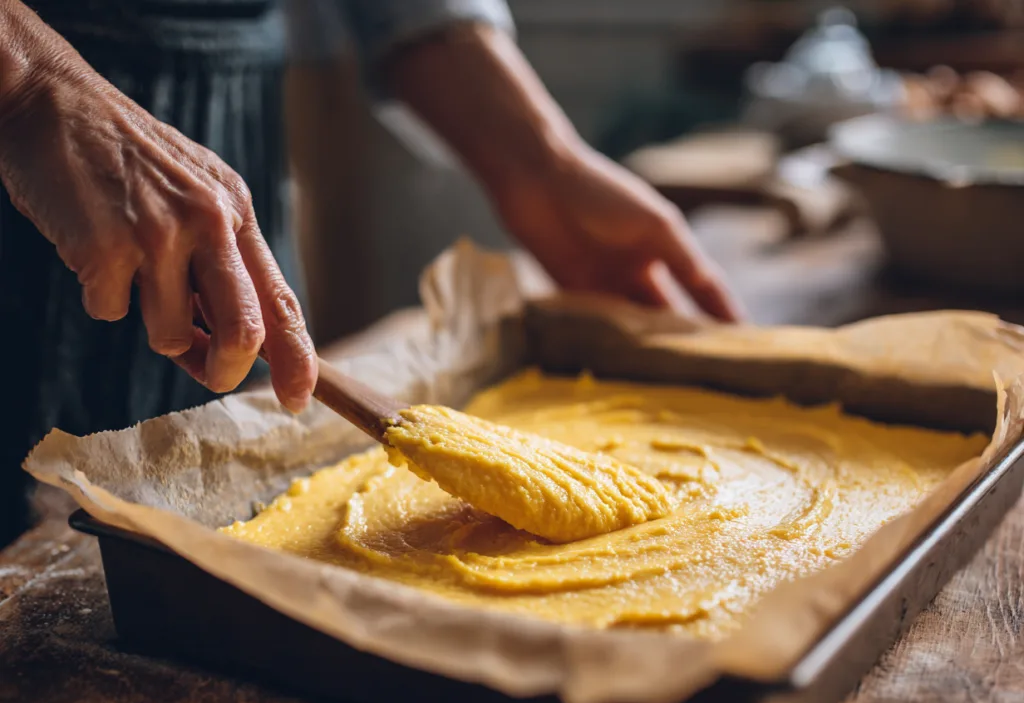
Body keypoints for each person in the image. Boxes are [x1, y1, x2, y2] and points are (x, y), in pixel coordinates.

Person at [0, 0, 743, 544]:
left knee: (235, 379)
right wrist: (31, 82)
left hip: (222, 123)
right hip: (30, 149)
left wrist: (538, 159)